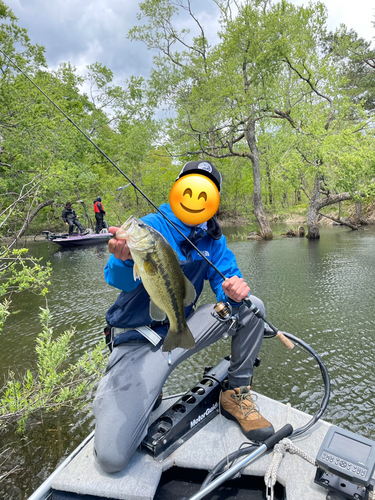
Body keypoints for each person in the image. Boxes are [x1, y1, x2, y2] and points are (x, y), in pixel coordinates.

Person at [92, 161, 274, 474]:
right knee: (111, 458)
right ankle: (131, 389)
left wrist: (233, 288)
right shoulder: (149, 227)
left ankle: (236, 393)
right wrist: (123, 259)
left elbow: (227, 276)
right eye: (190, 186)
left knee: (251, 305)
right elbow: (116, 278)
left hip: (181, 329)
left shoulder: (213, 238)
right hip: (138, 340)